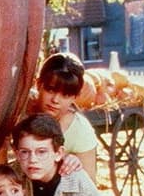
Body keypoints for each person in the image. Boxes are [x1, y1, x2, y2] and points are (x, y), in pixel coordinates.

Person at [30, 52, 99, 183]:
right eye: (50, 90)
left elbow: (89, 185)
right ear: (38, 84)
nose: (55, 100)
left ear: (75, 97)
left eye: (65, 95)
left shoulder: (80, 130)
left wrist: (74, 163)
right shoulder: (23, 113)